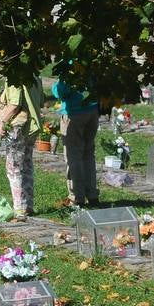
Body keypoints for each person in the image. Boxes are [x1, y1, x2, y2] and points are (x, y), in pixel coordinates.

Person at [0, 77, 44, 218]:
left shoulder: (15, 75)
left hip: (18, 126)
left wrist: (2, 122)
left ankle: (19, 208)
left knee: (14, 167)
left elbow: (15, 104)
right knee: (26, 164)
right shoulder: (35, 75)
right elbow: (41, 100)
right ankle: (28, 206)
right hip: (32, 125)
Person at [54, 75, 100, 207]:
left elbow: (61, 91)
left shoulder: (70, 62)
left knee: (74, 155)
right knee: (88, 154)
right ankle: (92, 195)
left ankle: (77, 197)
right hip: (92, 110)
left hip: (74, 112)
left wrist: (54, 88)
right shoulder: (93, 58)